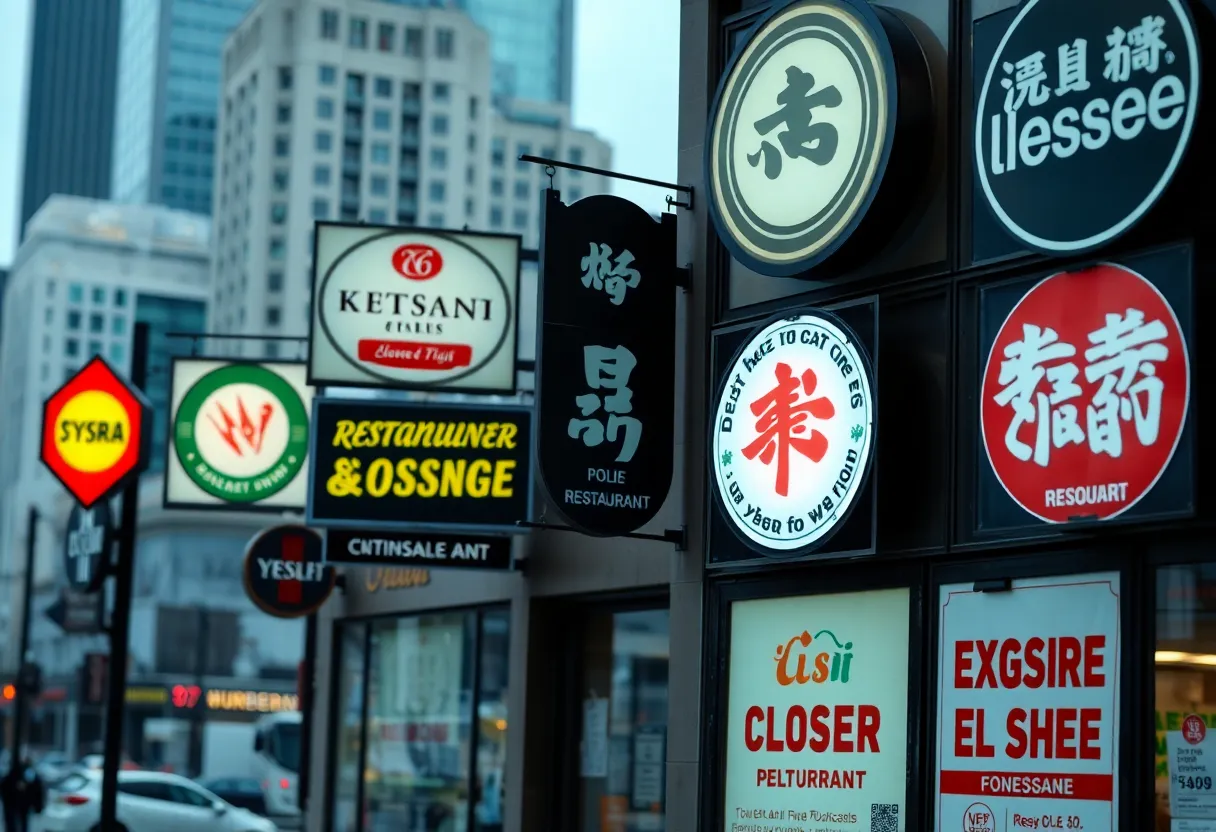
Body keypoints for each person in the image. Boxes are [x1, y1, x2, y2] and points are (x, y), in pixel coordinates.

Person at [0, 756, 44, 832]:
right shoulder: (25, 773)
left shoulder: (27, 773)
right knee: (19, 822)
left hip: (20, 804)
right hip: (18, 804)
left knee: (20, 822)